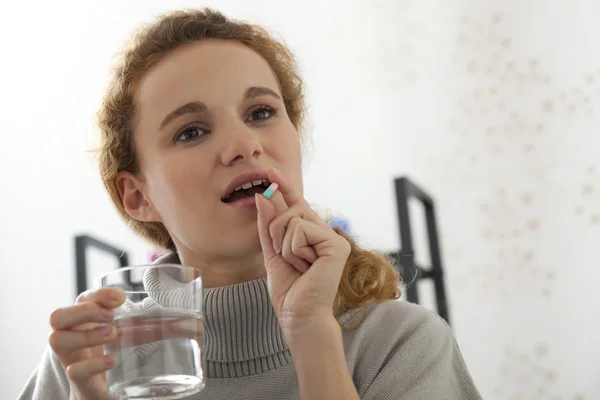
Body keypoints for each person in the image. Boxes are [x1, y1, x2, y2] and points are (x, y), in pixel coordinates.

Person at [19, 8, 482, 400]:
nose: (244, 145)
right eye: (191, 131)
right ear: (138, 197)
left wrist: (310, 332)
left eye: (261, 113)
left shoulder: (401, 344)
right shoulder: (86, 364)